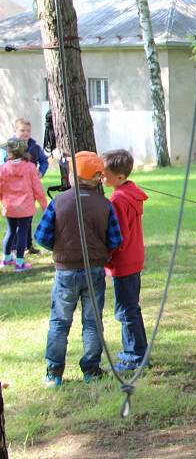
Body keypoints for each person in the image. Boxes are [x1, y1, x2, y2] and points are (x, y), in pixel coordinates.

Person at [35, 151, 123, 387]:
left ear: (74, 176)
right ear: (96, 178)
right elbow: (115, 239)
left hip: (65, 272)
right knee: (92, 322)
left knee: (59, 322)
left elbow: (41, 236)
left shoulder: (58, 202)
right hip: (94, 271)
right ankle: (91, 370)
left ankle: (54, 373)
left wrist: (60, 246)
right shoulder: (105, 205)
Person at [102, 149, 149, 372]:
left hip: (123, 262)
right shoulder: (130, 193)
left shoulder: (118, 199)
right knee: (131, 308)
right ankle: (140, 352)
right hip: (133, 259)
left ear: (119, 177)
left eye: (105, 174)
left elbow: (118, 236)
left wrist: (106, 257)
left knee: (125, 311)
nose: (101, 177)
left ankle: (133, 357)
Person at [0, 138, 47, 271]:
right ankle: (19, 263)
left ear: (10, 153)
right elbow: (38, 189)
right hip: (25, 208)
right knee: (22, 233)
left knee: (10, 231)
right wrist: (44, 207)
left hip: (9, 207)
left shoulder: (3, 168)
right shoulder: (30, 167)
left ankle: (6, 258)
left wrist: (3, 200)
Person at [11, 118, 49, 255]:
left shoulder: (35, 147)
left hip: (30, 188)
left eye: (28, 130)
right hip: (14, 189)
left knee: (28, 216)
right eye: (22, 130)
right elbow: (4, 165)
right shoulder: (10, 147)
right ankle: (14, 246)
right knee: (15, 218)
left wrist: (40, 172)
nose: (26, 133)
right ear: (15, 131)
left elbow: (44, 161)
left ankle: (27, 245)